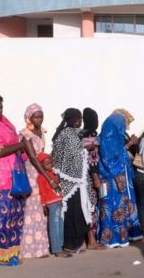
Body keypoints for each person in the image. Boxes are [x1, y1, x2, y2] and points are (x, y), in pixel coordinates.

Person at [0, 92, 57, 268]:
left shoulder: (3, 121)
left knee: (12, 216)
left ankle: (8, 252)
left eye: (1, 106)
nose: (0, 110)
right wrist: (22, 145)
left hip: (13, 175)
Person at [97, 113, 142, 247]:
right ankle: (111, 239)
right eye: (122, 124)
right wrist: (117, 178)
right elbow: (109, 159)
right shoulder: (108, 140)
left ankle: (122, 237)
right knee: (112, 208)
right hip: (112, 179)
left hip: (120, 177)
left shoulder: (116, 138)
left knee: (121, 207)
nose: (124, 127)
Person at [52, 108, 91, 254]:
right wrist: (85, 148)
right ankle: (69, 244)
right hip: (71, 181)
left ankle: (77, 243)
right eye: (79, 119)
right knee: (72, 213)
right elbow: (72, 156)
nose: (81, 122)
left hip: (78, 180)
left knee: (79, 212)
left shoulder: (72, 133)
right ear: (76, 119)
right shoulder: (67, 134)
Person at [18, 103, 50, 259]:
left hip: (41, 173)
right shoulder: (26, 134)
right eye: (36, 116)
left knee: (41, 210)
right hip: (31, 173)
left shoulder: (41, 132)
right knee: (31, 210)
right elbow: (32, 157)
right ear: (29, 117)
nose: (39, 119)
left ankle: (41, 248)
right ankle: (29, 249)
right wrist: (47, 176)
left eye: (41, 116)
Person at [79, 107, 106, 250]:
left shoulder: (81, 133)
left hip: (82, 176)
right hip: (90, 177)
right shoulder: (92, 134)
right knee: (92, 208)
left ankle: (89, 239)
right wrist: (96, 178)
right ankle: (91, 241)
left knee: (86, 206)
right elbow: (93, 159)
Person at [36, 153, 71, 258]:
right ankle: (56, 249)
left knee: (60, 224)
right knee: (54, 226)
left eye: (50, 162)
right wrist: (43, 204)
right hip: (52, 203)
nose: (50, 165)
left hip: (59, 202)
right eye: (46, 164)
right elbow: (42, 192)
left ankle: (60, 246)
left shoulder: (53, 174)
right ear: (41, 166)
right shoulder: (41, 177)